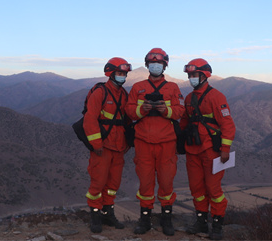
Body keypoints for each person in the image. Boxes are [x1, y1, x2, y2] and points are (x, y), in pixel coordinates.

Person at [126, 48, 185, 236]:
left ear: (164, 65)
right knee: (145, 183)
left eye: (159, 63)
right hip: (143, 142)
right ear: (147, 65)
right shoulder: (137, 87)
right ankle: (145, 220)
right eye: (152, 63)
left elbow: (180, 111)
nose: (155, 65)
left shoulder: (173, 88)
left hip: (167, 143)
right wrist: (142, 109)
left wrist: (165, 110)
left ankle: (166, 219)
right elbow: (129, 111)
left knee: (166, 182)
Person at [180, 58, 236, 241]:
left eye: (194, 74)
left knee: (213, 189)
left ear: (204, 75)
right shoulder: (189, 98)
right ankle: (201, 222)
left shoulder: (216, 97)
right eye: (190, 75)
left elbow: (227, 125)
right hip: (192, 150)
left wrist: (225, 148)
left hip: (212, 151)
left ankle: (217, 226)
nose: (191, 78)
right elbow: (184, 122)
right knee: (196, 189)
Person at [83, 57, 132, 233]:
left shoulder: (124, 94)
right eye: (119, 73)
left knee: (113, 184)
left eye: (124, 73)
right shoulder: (100, 92)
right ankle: (95, 215)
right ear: (110, 73)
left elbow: (126, 120)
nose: (122, 76)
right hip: (102, 148)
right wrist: (96, 144)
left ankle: (108, 213)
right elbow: (90, 119)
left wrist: (128, 142)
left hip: (119, 148)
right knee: (98, 182)